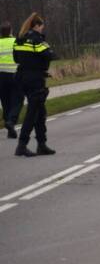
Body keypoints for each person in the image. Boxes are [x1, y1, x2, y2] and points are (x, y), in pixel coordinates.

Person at [13, 12, 55, 157]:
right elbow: (50, 55)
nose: (42, 30)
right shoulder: (36, 39)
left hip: (22, 77)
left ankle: (41, 144)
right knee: (33, 113)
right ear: (37, 25)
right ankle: (22, 145)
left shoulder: (19, 39)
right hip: (34, 80)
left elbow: (16, 58)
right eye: (41, 27)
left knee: (40, 112)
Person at [0, 21, 22, 138]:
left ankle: (9, 128)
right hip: (14, 75)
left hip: (1, 77)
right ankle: (11, 121)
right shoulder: (15, 42)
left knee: (5, 102)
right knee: (17, 100)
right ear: (10, 31)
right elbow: (21, 58)